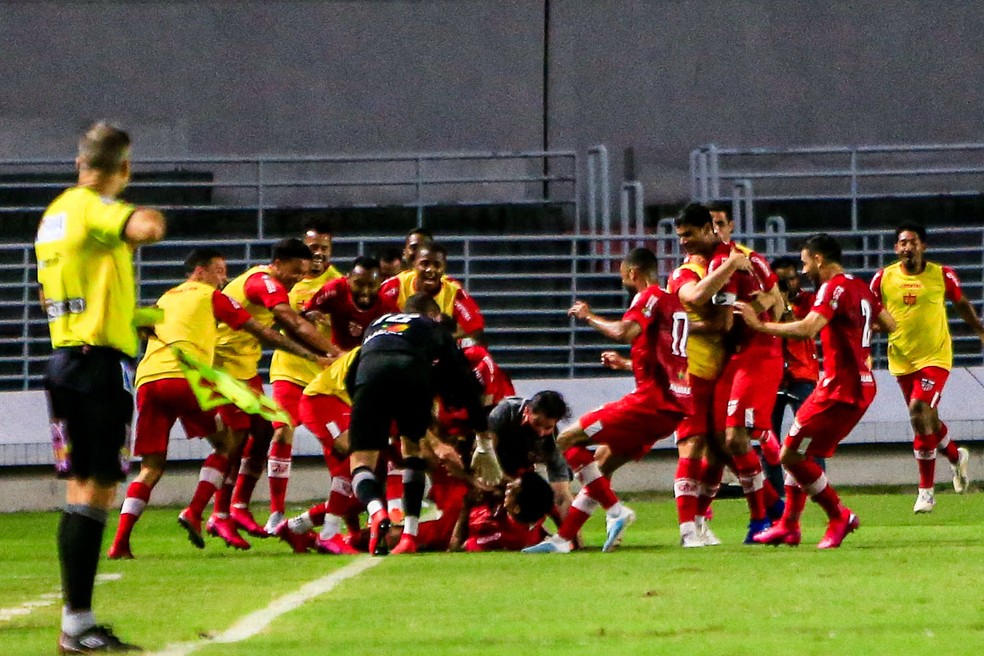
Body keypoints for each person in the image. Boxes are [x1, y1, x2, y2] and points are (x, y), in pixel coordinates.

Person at [107, 248, 330, 558]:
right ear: (200, 271)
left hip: (147, 381)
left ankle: (120, 543)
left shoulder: (165, 298)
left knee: (150, 467)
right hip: (185, 378)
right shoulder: (212, 297)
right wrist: (313, 356)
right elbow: (264, 332)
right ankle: (198, 511)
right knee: (227, 444)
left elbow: (137, 324)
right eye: (220, 270)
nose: (224, 278)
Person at [35, 122, 165, 652]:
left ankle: (78, 622)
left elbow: (87, 285)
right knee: (96, 489)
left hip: (66, 359)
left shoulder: (54, 214)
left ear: (77, 161)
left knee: (81, 489)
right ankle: (78, 625)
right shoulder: (92, 207)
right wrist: (148, 217)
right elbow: (144, 227)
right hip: (96, 370)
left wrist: (135, 314)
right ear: (124, 169)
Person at [523, 248, 693, 553]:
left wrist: (588, 316)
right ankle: (563, 540)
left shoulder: (649, 296)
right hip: (672, 408)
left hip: (651, 402)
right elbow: (667, 356)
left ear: (632, 273)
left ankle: (616, 511)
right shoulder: (673, 303)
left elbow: (624, 331)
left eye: (623, 276)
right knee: (598, 466)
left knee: (567, 438)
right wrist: (627, 364)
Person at [740, 233, 895, 549]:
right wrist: (853, 328)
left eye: (805, 261)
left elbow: (808, 328)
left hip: (838, 387)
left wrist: (761, 327)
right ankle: (789, 526)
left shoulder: (832, 288)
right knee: (801, 452)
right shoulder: (860, 287)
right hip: (861, 386)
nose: (804, 268)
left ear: (819, 259)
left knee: (789, 454)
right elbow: (889, 323)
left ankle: (839, 515)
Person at [208, 238, 338, 549]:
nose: (298, 278)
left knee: (264, 430)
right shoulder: (262, 282)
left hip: (242, 369)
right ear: (278, 263)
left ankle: (236, 507)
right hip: (220, 367)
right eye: (295, 272)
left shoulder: (325, 282)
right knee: (236, 439)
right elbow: (287, 322)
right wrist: (334, 353)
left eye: (304, 273)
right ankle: (216, 513)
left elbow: (282, 326)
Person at [347, 293, 497, 555]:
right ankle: (408, 535)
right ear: (435, 315)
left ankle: (376, 511)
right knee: (412, 449)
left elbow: (353, 371)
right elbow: (466, 384)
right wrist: (484, 439)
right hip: (412, 372)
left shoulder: (379, 322)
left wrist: (363, 408)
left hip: (367, 376)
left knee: (361, 461)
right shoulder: (432, 326)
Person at [870, 223, 982, 512]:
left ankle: (926, 492)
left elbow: (961, 304)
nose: (908, 247)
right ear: (896, 248)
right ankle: (957, 457)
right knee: (927, 420)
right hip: (902, 359)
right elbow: (869, 314)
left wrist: (979, 330)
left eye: (914, 242)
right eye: (903, 243)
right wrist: (867, 342)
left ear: (924, 246)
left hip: (935, 358)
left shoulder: (941, 275)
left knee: (918, 410)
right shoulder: (883, 278)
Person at [668, 203, 752, 546]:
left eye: (689, 234)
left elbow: (727, 321)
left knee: (719, 450)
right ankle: (687, 529)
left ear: (708, 230)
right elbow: (698, 296)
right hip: (691, 372)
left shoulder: (730, 261)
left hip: (724, 371)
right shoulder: (684, 272)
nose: (684, 242)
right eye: (680, 236)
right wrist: (732, 265)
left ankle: (701, 521)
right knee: (692, 444)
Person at [261, 219, 342, 533]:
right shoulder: (286, 282)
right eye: (313, 248)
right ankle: (276, 512)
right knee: (282, 432)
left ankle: (338, 514)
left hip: (324, 377)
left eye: (324, 247)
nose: (318, 253)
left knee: (335, 443)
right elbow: (275, 325)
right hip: (289, 370)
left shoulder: (341, 284)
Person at [767, 256, 820, 494]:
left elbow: (801, 329)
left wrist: (785, 304)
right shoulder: (766, 304)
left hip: (803, 375)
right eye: (781, 281)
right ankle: (776, 493)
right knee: (769, 440)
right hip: (772, 377)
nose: (788, 284)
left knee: (808, 435)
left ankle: (817, 484)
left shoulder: (809, 301)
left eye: (791, 278)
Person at [380, 242, 485, 341]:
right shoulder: (395, 285)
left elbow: (475, 329)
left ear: (444, 267)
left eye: (437, 265)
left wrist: (440, 341)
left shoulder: (454, 292)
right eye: (424, 264)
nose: (431, 270)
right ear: (414, 265)